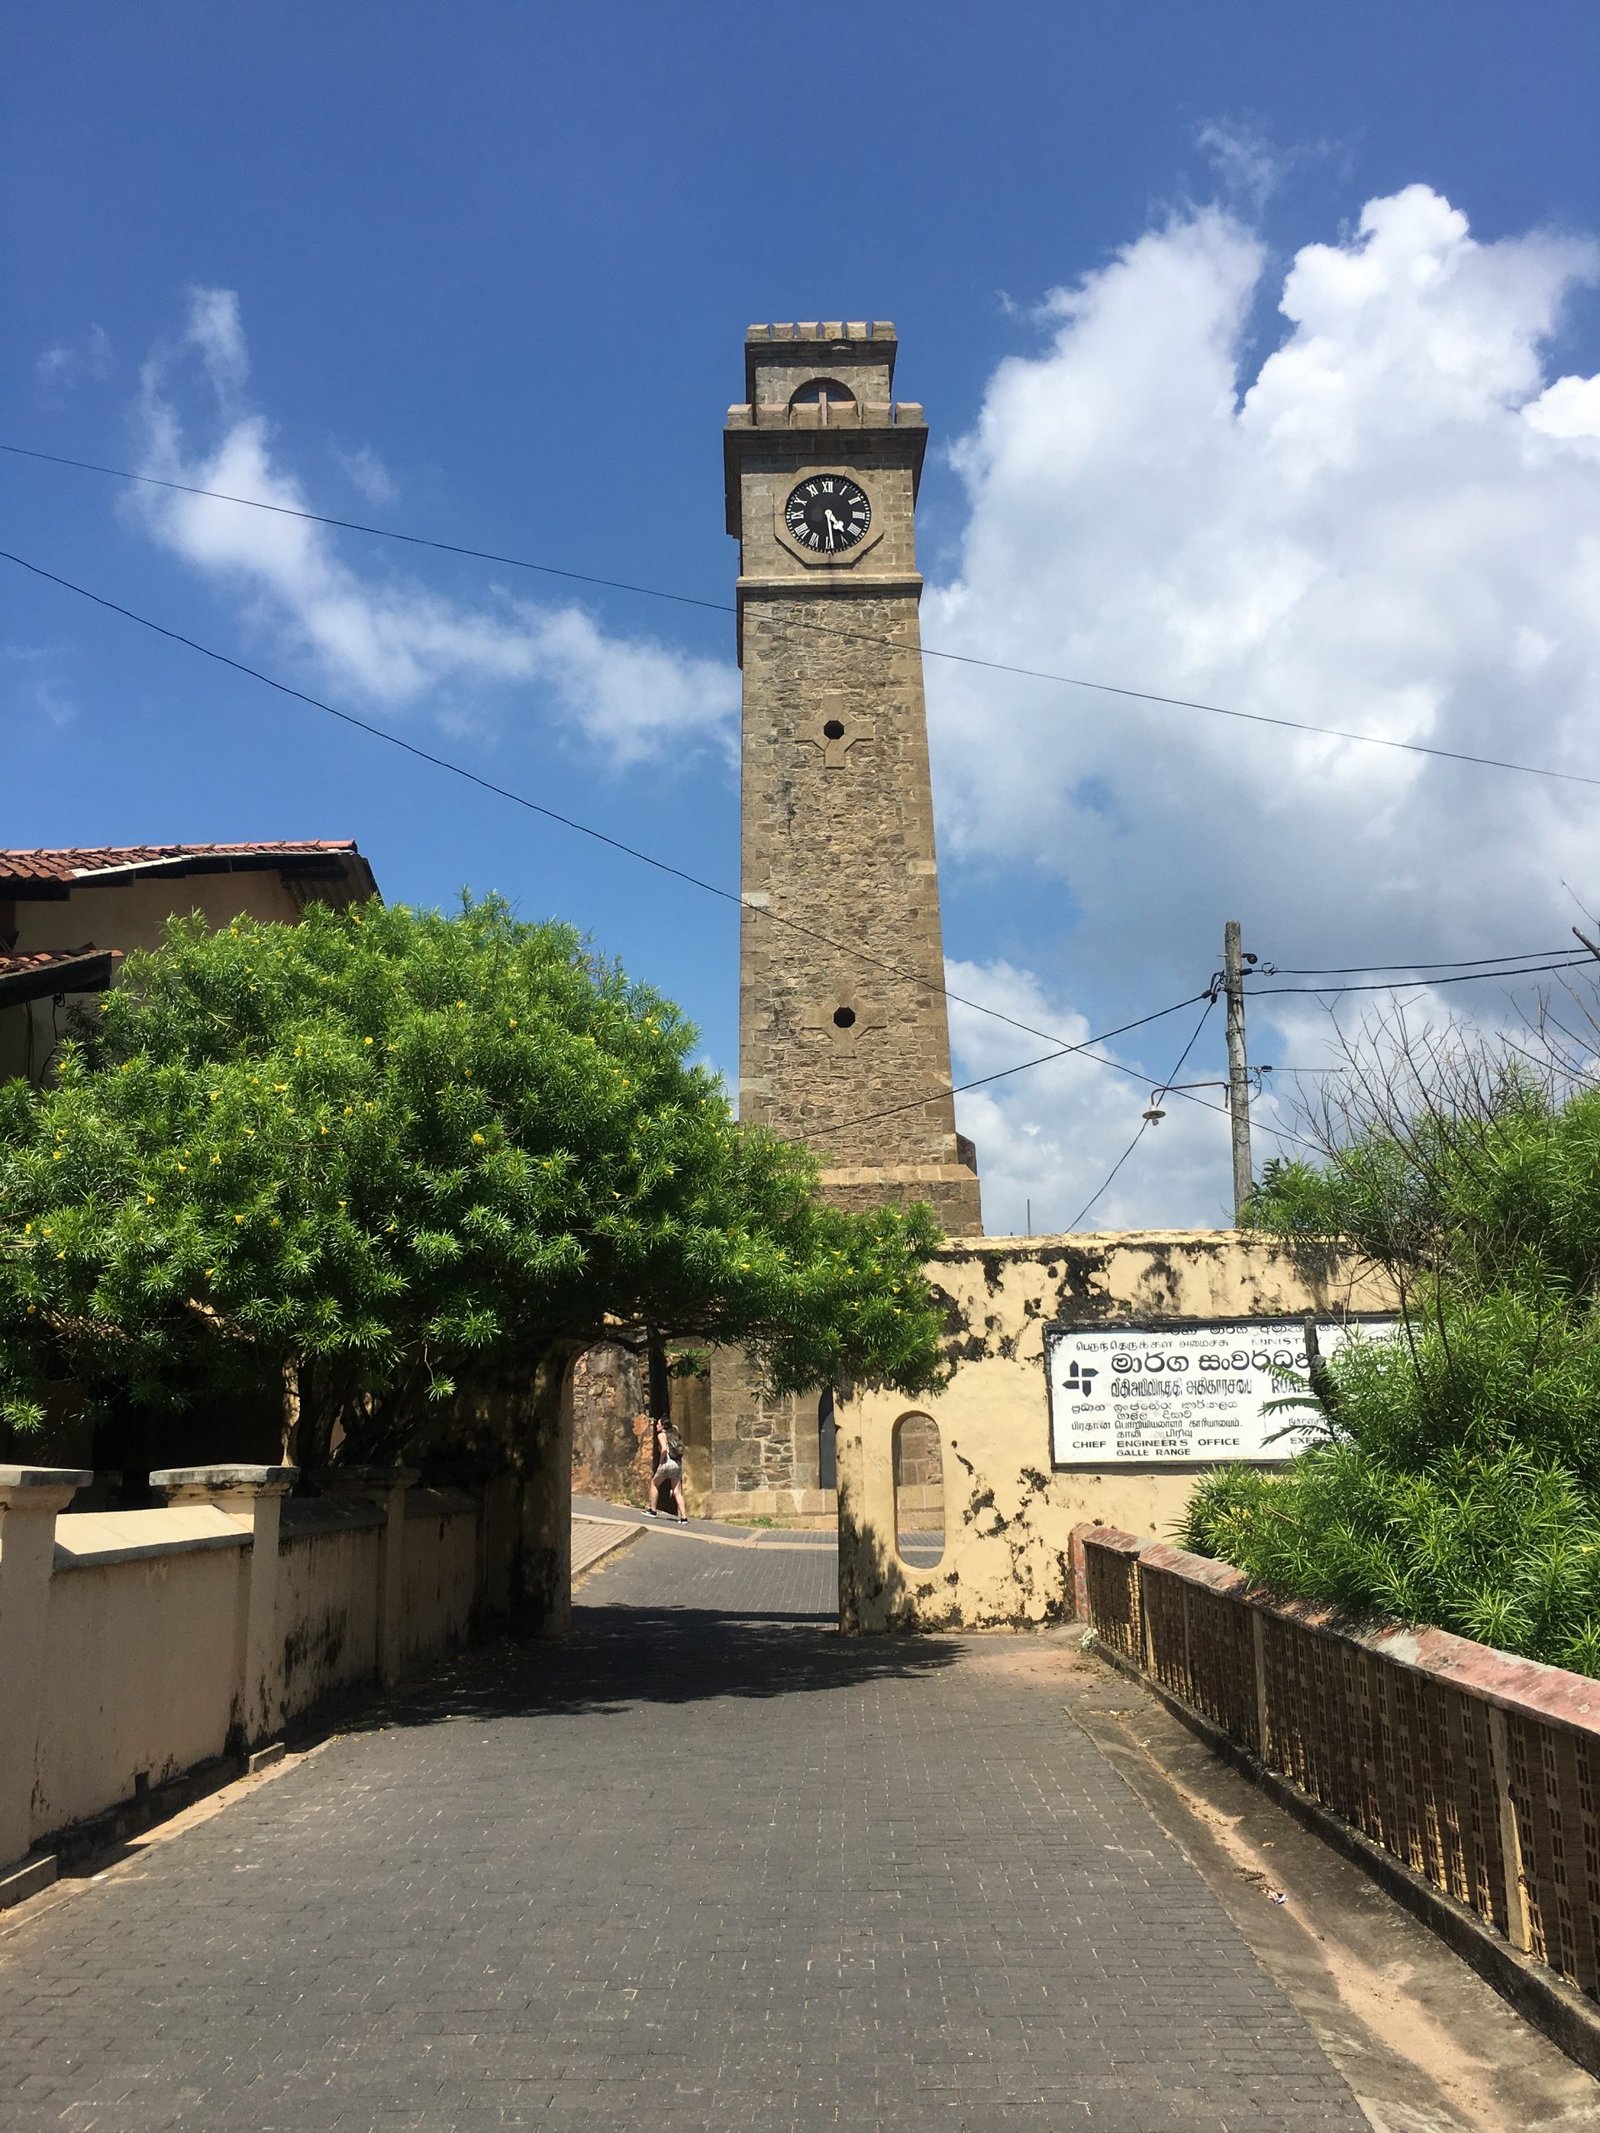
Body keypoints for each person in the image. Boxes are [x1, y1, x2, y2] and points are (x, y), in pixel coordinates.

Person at [646, 1414, 688, 1523]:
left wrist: (661, 1461)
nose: (656, 1426)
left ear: (663, 1426)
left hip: (667, 1463)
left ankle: (653, 1511)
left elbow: (664, 1449)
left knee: (655, 1484)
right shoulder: (674, 1434)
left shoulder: (661, 1435)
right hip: (677, 1464)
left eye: (658, 1424)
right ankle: (684, 1518)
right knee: (677, 1491)